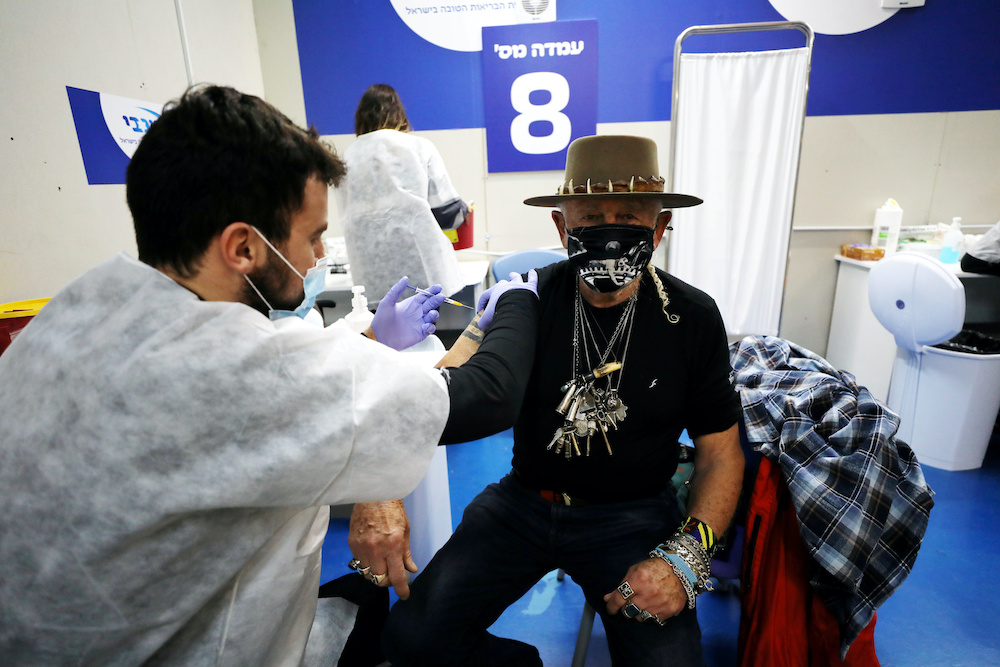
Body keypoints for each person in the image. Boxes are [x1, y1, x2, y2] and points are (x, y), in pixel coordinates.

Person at [0, 84, 538, 666]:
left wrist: (374, 340)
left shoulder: (75, 314)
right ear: (242, 247)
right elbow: (489, 395)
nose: (318, 255)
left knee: (365, 596)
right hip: (191, 647)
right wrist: (515, 304)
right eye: (310, 237)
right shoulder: (231, 366)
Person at [380, 135, 746, 666]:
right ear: (561, 227)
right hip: (524, 504)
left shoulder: (690, 317)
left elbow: (720, 450)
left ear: (661, 228)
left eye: (629, 216)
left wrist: (689, 556)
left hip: (634, 516)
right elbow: (437, 393)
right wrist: (381, 493)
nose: (609, 231)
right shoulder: (524, 299)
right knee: (411, 639)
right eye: (591, 215)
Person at [334, 83, 469, 301]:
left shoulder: (346, 158)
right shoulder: (417, 146)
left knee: (382, 332)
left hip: (372, 275)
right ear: (398, 112)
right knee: (426, 331)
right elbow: (447, 211)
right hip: (422, 268)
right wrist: (464, 211)